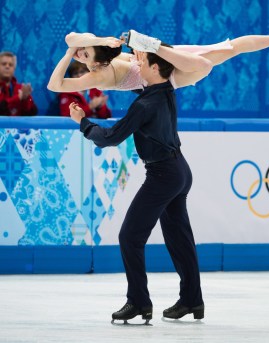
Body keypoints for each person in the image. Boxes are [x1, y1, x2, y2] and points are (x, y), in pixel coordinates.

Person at [68, 50, 204, 324]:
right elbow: (143, 91)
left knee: (130, 237)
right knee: (180, 240)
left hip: (163, 175)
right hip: (179, 171)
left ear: (155, 68)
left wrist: (83, 123)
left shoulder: (145, 105)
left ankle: (139, 302)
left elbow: (110, 138)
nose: (135, 64)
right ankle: (192, 300)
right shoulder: (165, 89)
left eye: (142, 62)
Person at [47, 30, 269, 94]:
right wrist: (71, 52)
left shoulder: (100, 63)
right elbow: (54, 84)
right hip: (157, 76)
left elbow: (73, 37)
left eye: (84, 52)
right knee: (206, 65)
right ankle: (155, 46)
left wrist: (103, 41)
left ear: (98, 59)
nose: (80, 53)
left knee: (228, 49)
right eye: (82, 54)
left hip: (155, 61)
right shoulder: (96, 74)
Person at [0, 51, 38, 116]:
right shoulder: (19, 94)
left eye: (10, 65)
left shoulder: (21, 89)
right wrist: (18, 98)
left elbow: (33, 112)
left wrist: (26, 99)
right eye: (4, 64)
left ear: (14, 69)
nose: (7, 67)